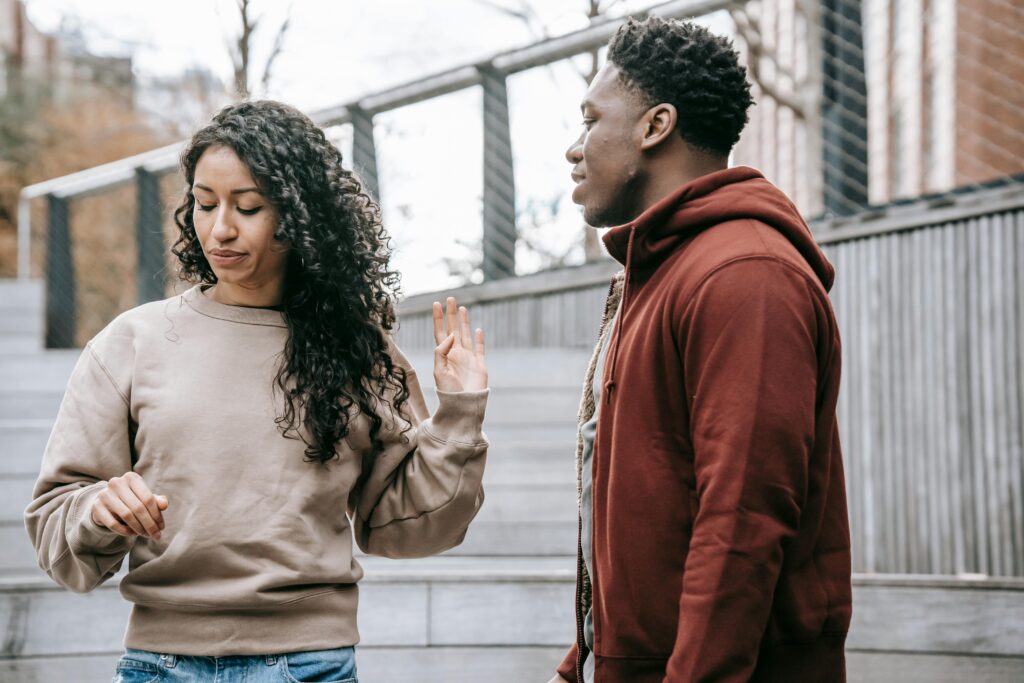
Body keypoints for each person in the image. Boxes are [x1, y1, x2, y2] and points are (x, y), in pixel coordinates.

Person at [25, 100, 490, 683]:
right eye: (203, 203)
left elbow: (406, 525)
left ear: (299, 216)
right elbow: (55, 530)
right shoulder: (132, 342)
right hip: (160, 665)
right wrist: (98, 511)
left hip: (311, 665)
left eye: (248, 207)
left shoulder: (357, 352)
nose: (220, 228)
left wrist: (459, 416)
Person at [550, 16, 852, 683]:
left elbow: (742, 517)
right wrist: (584, 662)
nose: (575, 149)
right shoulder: (655, 275)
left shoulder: (745, 274)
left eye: (591, 120)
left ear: (655, 126)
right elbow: (641, 513)